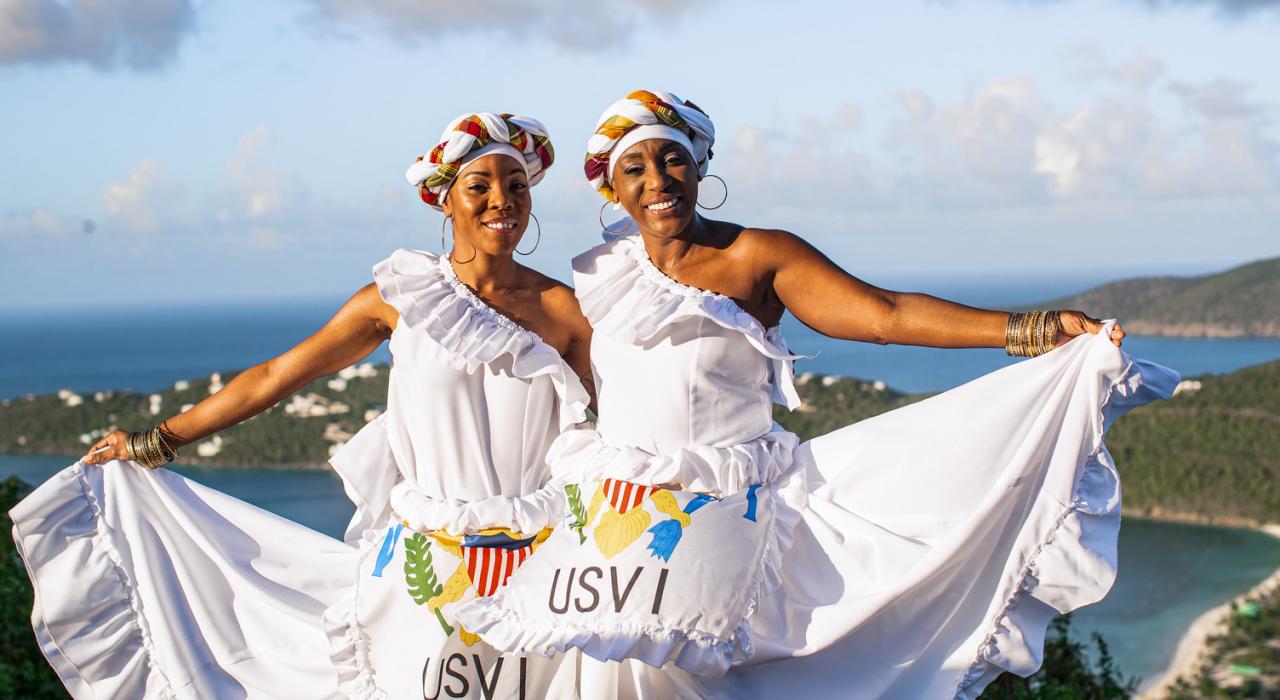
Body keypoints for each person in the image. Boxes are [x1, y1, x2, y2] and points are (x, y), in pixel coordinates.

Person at [456, 90, 1180, 699]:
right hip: (612, 537)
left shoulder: (757, 256)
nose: (658, 179)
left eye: (672, 156)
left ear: (700, 162)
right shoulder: (599, 273)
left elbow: (884, 315)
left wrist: (1033, 327)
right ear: (611, 188)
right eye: (634, 167)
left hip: (720, 520)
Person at [10, 112, 602, 698]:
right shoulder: (399, 299)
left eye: (516, 185)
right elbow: (275, 376)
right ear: (444, 202)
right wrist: (155, 441)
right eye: (479, 185)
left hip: (534, 565)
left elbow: (608, 430)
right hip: (424, 564)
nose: (502, 199)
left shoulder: (566, 312)